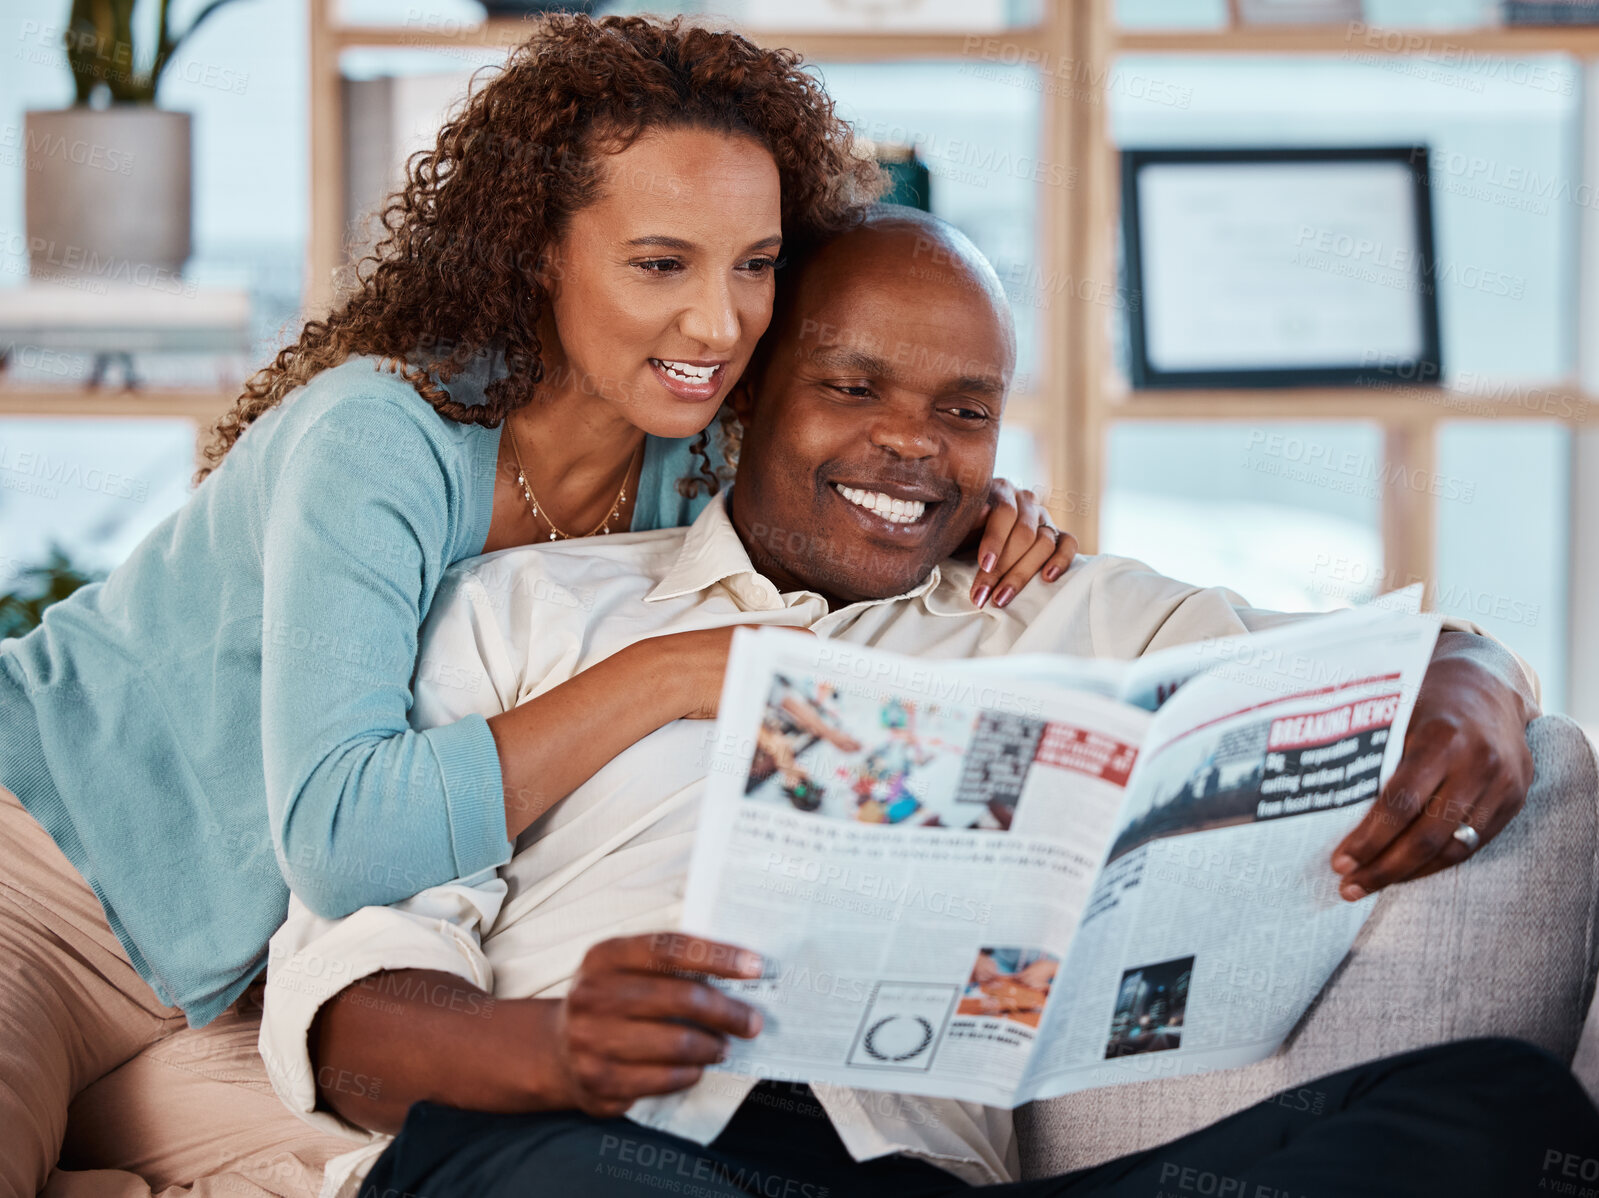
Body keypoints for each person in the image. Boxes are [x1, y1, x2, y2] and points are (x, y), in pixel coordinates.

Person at [255, 208, 1599, 1197]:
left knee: (1507, 1114)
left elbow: (1397, 651)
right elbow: (358, 1006)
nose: (915, 445)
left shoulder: (1067, 612)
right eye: (854, 389)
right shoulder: (531, 611)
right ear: (742, 403)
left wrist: (1479, 680)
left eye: (966, 411)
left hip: (913, 1182)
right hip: (588, 1145)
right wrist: (556, 1045)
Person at [0, 18, 1075, 1198]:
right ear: (537, 252)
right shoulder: (379, 440)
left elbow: (852, 483)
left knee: (425, 1171)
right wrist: (665, 673)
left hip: (236, 979)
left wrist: (965, 505)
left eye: (755, 264)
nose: (719, 325)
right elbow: (343, 836)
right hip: (48, 883)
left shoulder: (690, 451)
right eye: (660, 264)